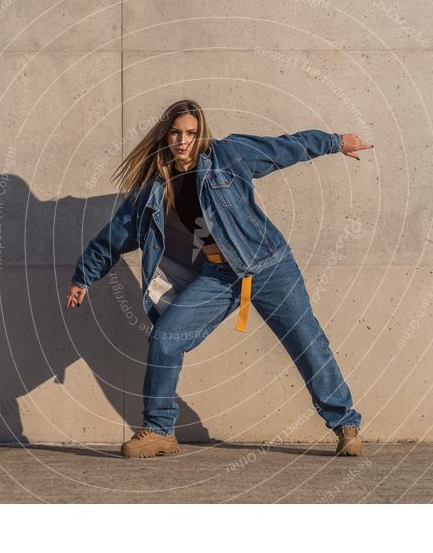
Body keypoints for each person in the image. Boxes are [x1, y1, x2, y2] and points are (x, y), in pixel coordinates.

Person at [65, 99, 373, 458]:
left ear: (201, 135)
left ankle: (345, 424)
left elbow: (285, 147)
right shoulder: (152, 190)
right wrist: (83, 277)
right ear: (165, 136)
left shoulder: (228, 155)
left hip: (270, 265)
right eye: (177, 133)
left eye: (191, 134)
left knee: (308, 343)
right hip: (221, 275)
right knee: (166, 339)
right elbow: (115, 236)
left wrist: (334, 142)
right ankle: (159, 431)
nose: (183, 141)